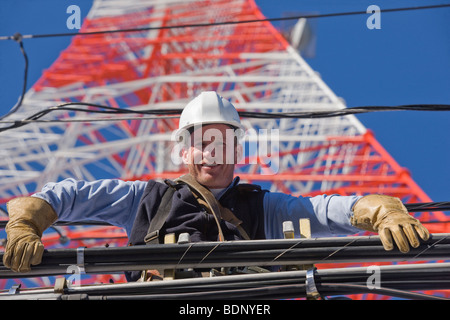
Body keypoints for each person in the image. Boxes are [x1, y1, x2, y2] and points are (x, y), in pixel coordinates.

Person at [3, 91, 430, 275]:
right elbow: (72, 195)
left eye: (221, 143)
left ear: (235, 153)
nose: (211, 152)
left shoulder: (263, 206)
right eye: (201, 143)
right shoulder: (148, 199)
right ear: (184, 152)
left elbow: (324, 210)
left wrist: (380, 210)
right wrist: (27, 221)